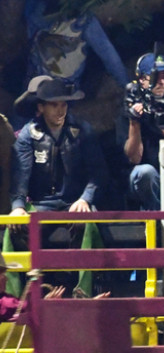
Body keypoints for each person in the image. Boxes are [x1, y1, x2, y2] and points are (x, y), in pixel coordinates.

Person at [9, 78, 108, 296]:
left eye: (63, 104)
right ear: (41, 107)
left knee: (85, 221)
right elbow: (19, 177)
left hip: (74, 203)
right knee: (15, 227)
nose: (60, 110)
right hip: (41, 205)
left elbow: (98, 174)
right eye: (54, 105)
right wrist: (18, 205)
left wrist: (85, 198)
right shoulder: (28, 135)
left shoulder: (82, 130)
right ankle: (23, 293)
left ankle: (81, 289)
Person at [122, 53, 164, 210]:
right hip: (145, 181)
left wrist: (159, 123)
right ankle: (159, 217)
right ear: (142, 80)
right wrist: (135, 121)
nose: (162, 83)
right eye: (156, 78)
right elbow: (134, 158)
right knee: (145, 172)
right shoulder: (130, 109)